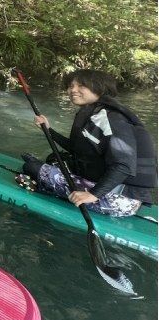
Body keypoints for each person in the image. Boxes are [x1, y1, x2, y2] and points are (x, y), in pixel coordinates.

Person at [19, 69, 157, 217]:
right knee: (55, 158)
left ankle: (46, 187)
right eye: (71, 86)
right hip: (117, 192)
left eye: (81, 86)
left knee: (31, 167)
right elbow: (76, 149)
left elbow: (124, 165)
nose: (73, 90)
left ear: (100, 88)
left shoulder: (111, 118)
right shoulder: (96, 112)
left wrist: (92, 195)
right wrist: (48, 130)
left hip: (120, 200)